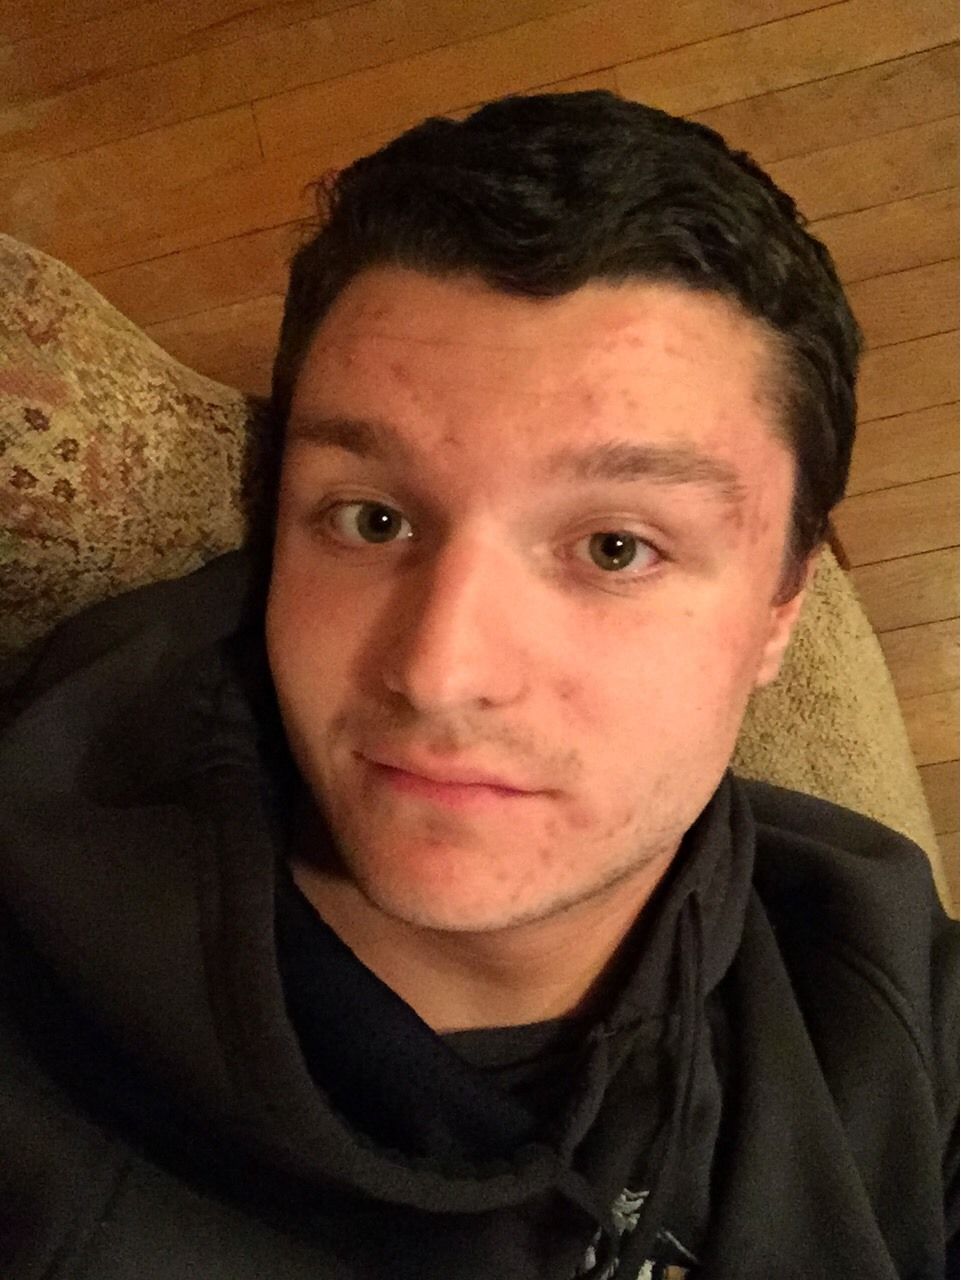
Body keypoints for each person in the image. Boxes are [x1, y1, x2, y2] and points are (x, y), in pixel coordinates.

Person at [0, 91, 956, 1280]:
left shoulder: (887, 990)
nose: (439, 671)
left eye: (614, 546)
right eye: (372, 518)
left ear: (781, 613)